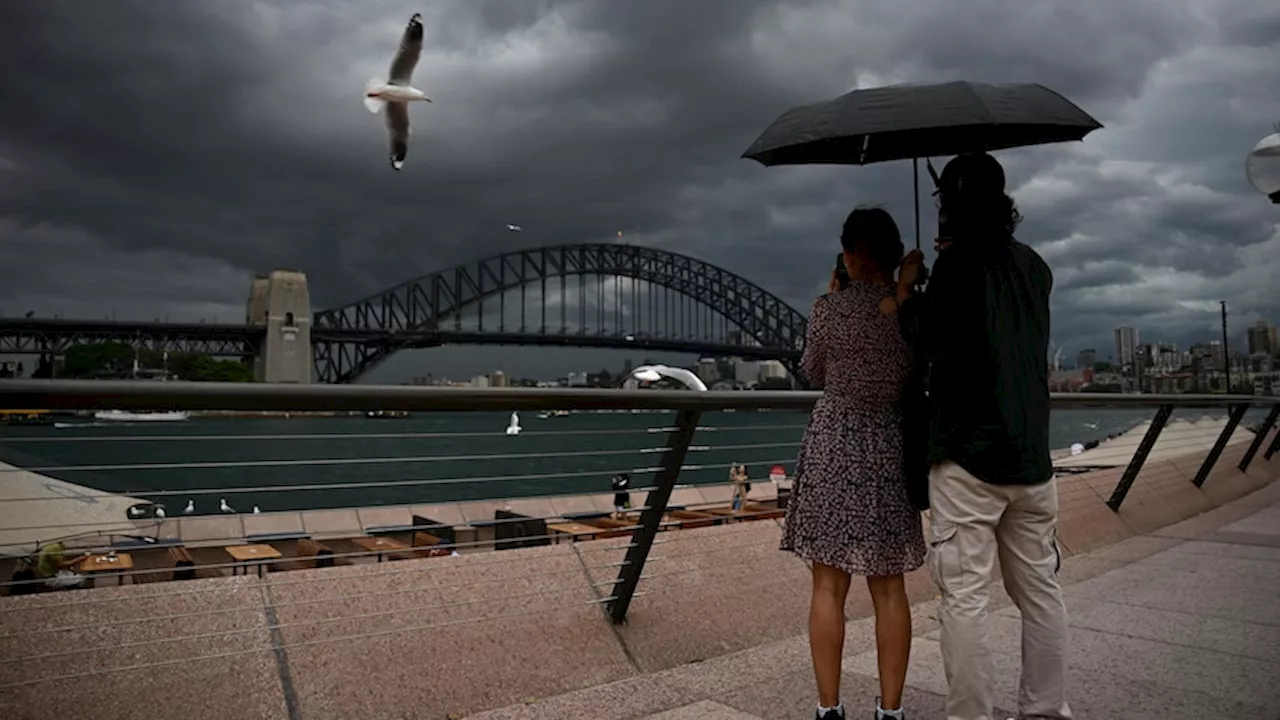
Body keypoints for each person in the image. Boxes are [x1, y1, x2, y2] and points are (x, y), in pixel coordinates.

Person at [893, 152, 1071, 720]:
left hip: (968, 458)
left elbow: (929, 346)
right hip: (1032, 457)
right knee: (1040, 592)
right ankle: (1045, 710)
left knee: (965, 600)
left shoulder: (953, 270)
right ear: (1005, 204)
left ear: (949, 207)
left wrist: (907, 294)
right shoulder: (1036, 266)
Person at [780, 207, 925, 720]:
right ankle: (891, 711)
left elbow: (813, 370)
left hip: (834, 444)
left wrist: (836, 298)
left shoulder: (829, 309)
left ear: (851, 255)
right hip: (889, 446)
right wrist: (904, 293)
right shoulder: (911, 314)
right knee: (889, 588)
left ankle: (829, 709)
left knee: (828, 584)